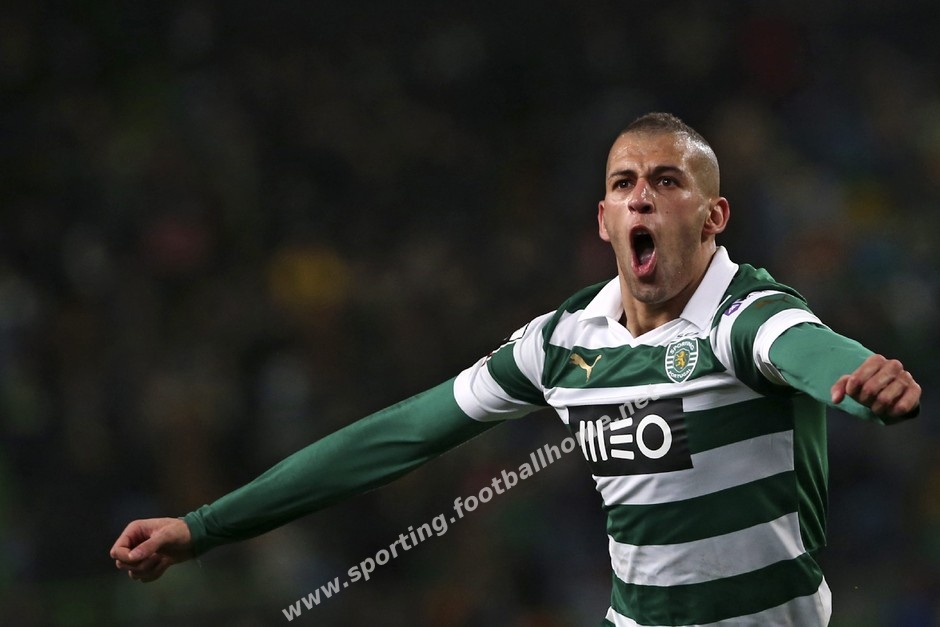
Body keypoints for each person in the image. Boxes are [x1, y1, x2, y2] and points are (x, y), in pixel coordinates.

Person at [110, 112, 922, 626]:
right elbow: (401, 435)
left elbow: (809, 349)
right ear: (603, 218)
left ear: (713, 216)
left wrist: (865, 383)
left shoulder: (743, 314)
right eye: (624, 183)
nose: (641, 197)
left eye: (666, 181)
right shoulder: (562, 342)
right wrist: (204, 526)